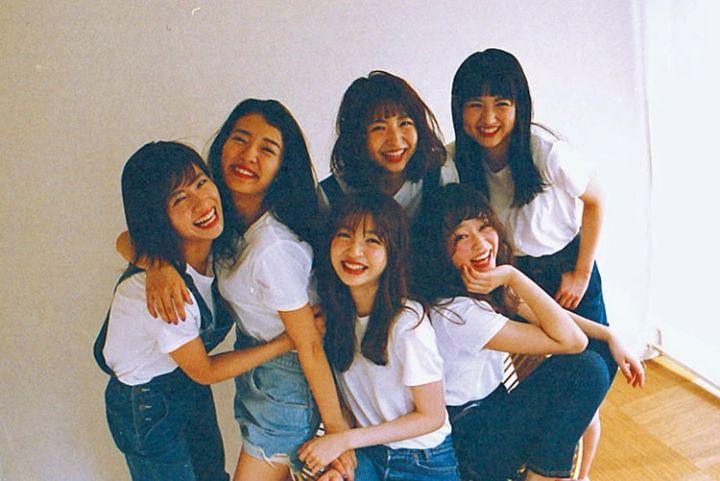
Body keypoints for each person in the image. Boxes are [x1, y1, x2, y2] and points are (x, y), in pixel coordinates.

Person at [122, 100, 355, 481]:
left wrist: (337, 432)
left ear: (282, 167)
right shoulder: (217, 216)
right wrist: (158, 264)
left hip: (286, 383)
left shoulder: (272, 248)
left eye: (268, 149)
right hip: (257, 371)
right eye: (240, 139)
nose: (249, 155)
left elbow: (309, 345)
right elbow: (126, 238)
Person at [450, 48, 616, 479]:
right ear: (459, 109)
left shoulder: (546, 152)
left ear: (519, 106)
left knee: (590, 380)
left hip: (565, 268)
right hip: (510, 274)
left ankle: (579, 474)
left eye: (501, 104)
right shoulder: (455, 161)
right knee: (546, 384)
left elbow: (597, 200)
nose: (488, 118)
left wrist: (581, 273)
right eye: (475, 105)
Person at [95, 141, 301, 481]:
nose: (202, 202)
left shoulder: (216, 251)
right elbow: (205, 370)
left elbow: (125, 239)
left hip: (183, 381)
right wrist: (286, 342)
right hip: (146, 401)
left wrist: (156, 262)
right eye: (180, 199)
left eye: (202, 183)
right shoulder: (160, 296)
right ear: (156, 218)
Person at [411, 183, 644, 481]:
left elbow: (560, 321)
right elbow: (572, 341)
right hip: (472, 441)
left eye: (484, 226)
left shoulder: (482, 287)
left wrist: (610, 336)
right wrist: (512, 275)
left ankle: (543, 472)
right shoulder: (459, 313)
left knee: (602, 354)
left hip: (493, 415)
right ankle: (541, 476)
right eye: (460, 237)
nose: (481, 244)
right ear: (438, 250)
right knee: (587, 368)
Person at [298, 192, 460, 481]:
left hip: (421, 462)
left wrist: (343, 440)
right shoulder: (333, 314)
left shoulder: (407, 322)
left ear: (393, 252)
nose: (355, 251)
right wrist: (341, 460)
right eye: (344, 235)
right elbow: (345, 397)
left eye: (372, 240)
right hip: (367, 453)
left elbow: (432, 416)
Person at [320, 70, 458, 220]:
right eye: (379, 128)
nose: (395, 140)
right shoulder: (331, 196)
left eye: (404, 123)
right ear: (357, 136)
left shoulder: (441, 176)